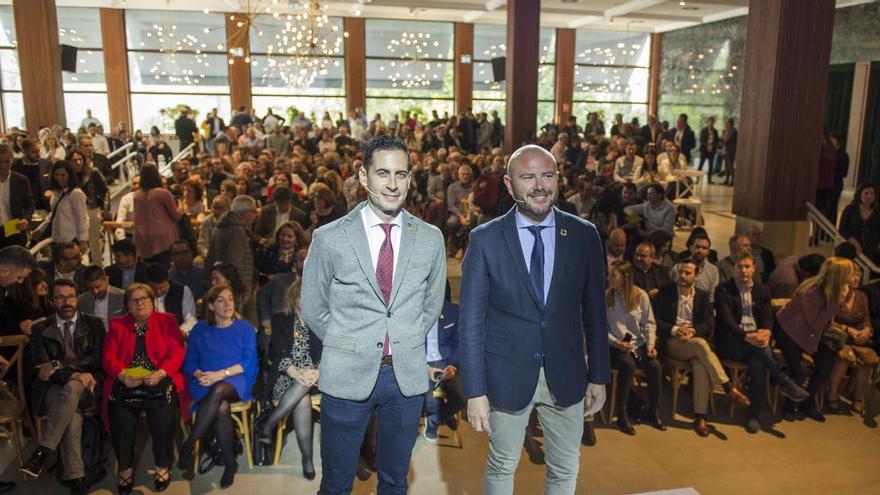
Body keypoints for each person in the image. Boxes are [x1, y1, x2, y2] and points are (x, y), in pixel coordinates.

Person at [459, 144, 608, 494]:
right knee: (501, 466)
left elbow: (596, 313)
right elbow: (470, 324)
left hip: (568, 372)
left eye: (547, 175)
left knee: (566, 467)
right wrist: (475, 390)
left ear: (558, 180)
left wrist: (599, 375)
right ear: (510, 186)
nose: (540, 185)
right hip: (507, 372)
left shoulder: (584, 235)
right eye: (528, 177)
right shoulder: (485, 240)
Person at [301, 136, 445, 495]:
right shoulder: (329, 238)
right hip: (346, 374)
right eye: (383, 173)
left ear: (411, 178)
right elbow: (314, 307)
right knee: (336, 483)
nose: (392, 184)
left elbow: (432, 304)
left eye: (401, 174)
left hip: (405, 378)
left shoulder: (430, 238)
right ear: (364, 177)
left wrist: (404, 338)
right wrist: (348, 343)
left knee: (395, 481)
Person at [19, 280, 104, 494]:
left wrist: (58, 364)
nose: (67, 302)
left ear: (77, 298)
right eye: (60, 297)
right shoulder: (40, 328)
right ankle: (77, 479)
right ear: (51, 301)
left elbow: (95, 361)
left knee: (75, 386)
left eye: (71, 296)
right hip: (54, 388)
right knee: (72, 415)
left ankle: (44, 450)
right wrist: (74, 372)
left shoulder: (94, 323)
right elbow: (41, 369)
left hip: (89, 385)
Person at [102, 283, 188, 494]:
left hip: (159, 379)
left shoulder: (166, 320)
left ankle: (162, 464)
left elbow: (176, 353)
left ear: (152, 302)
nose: (140, 303)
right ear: (127, 306)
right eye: (135, 300)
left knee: (162, 417)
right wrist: (122, 375)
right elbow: (108, 357)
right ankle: (125, 468)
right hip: (127, 382)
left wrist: (160, 373)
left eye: (144, 299)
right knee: (121, 417)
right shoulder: (117, 324)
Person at [653, 258, 750, 436]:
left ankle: (700, 416)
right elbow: (655, 321)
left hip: (694, 342)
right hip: (672, 343)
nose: (682, 276)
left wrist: (693, 331)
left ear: (696, 276)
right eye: (681, 272)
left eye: (687, 273)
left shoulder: (703, 296)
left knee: (700, 365)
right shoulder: (666, 292)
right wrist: (675, 330)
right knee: (701, 346)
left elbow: (709, 324)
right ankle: (729, 388)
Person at [714, 252, 809, 433]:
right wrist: (748, 337)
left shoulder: (762, 290)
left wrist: (766, 331)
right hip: (732, 342)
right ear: (734, 268)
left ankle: (754, 415)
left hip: (756, 343)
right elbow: (727, 322)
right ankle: (782, 381)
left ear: (754, 268)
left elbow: (767, 318)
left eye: (747, 267)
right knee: (760, 350)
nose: (743, 271)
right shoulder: (723, 290)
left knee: (758, 363)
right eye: (740, 267)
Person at [179, 285, 258, 488]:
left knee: (220, 389)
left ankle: (190, 443)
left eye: (230, 299)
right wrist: (200, 375)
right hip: (205, 382)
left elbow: (247, 363)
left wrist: (218, 375)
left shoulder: (245, 328)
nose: (228, 304)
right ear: (212, 306)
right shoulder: (200, 329)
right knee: (221, 406)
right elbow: (190, 362)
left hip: (236, 380)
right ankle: (230, 463)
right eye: (221, 300)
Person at [775, 257, 854, 422]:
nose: (851, 277)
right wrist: (836, 303)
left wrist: (842, 300)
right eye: (848, 274)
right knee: (800, 369)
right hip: (788, 332)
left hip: (808, 335)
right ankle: (789, 405)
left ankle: (806, 402)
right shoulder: (812, 292)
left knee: (827, 363)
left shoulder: (836, 290)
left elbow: (826, 322)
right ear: (839, 276)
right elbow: (815, 323)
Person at [256, 280, 322, 477]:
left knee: (302, 391)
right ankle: (307, 458)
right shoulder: (281, 319)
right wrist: (296, 373)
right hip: (288, 376)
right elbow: (278, 353)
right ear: (295, 299)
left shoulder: (320, 321)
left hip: (316, 377)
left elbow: (328, 351)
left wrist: (316, 371)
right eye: (304, 296)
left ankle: (267, 425)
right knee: (302, 398)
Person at [606, 260, 663, 435]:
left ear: (626, 277)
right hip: (615, 345)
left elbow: (649, 323)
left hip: (637, 344)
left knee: (654, 366)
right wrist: (615, 342)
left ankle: (653, 410)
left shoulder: (641, 296)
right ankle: (622, 412)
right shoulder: (607, 296)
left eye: (613, 275)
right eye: (609, 274)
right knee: (628, 365)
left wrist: (651, 345)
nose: (609, 278)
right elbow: (601, 328)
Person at [826, 265, 877, 415]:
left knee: (867, 359)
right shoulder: (836, 294)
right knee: (844, 358)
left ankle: (858, 398)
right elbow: (830, 322)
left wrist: (866, 330)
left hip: (857, 337)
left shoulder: (861, 296)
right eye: (853, 276)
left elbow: (866, 319)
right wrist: (849, 330)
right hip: (838, 336)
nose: (856, 279)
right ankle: (832, 394)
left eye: (858, 276)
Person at [423, 281, 464, 442]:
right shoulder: (414, 311)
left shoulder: (453, 312)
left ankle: (438, 417)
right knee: (433, 400)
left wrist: (453, 366)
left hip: (445, 362)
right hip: (422, 363)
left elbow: (459, 343)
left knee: (461, 400)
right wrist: (424, 367)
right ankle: (434, 419)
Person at [205, 195, 258, 295]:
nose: (256, 215)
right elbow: (235, 265)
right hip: (235, 291)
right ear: (246, 213)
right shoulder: (236, 231)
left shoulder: (221, 227)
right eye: (254, 211)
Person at [35, 161, 89, 253]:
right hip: (56, 238)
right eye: (56, 174)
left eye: (63, 175)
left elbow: (83, 218)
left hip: (71, 239)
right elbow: (53, 214)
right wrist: (39, 229)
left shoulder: (76, 193)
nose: (59, 178)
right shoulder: (55, 192)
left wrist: (83, 240)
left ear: (69, 176)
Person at [134, 164, 183, 266]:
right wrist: (182, 207)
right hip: (163, 238)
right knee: (164, 269)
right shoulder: (163, 193)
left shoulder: (137, 196)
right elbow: (176, 215)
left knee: (150, 271)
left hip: (143, 238)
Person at [69, 148, 109, 266]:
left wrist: (105, 208)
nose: (78, 162)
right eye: (74, 160)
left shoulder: (93, 172)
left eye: (80, 159)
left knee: (94, 242)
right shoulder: (69, 176)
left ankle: (97, 267)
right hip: (74, 211)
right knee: (77, 240)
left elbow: (105, 190)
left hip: (92, 208)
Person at [144, 262, 197, 335]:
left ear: (167, 280)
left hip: (176, 335)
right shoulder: (141, 294)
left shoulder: (182, 291)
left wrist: (179, 332)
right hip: (148, 336)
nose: (158, 292)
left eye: (162, 288)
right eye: (153, 289)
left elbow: (191, 319)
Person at [670, 232, 719, 303]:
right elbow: (672, 289)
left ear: (708, 252)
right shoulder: (678, 267)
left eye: (704, 248)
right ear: (690, 248)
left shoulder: (713, 270)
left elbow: (711, 297)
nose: (700, 250)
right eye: (697, 247)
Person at [2, 266, 51, 336]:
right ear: (26, 285)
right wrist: (20, 328)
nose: (45, 285)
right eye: (39, 282)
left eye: (44, 280)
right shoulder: (9, 305)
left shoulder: (45, 303)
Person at [838, 183, 880, 263]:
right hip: (852, 250)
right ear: (860, 194)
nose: (869, 196)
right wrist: (854, 242)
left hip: (872, 252)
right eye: (866, 193)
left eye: (872, 194)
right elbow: (842, 230)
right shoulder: (850, 210)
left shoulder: (877, 213)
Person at [79, 265, 125, 330]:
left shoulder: (122, 296)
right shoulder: (82, 300)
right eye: (91, 288)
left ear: (107, 280)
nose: (95, 291)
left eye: (98, 287)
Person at [12, 138, 50, 212]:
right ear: (25, 152)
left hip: (43, 205)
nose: (38, 154)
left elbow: (53, 182)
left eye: (38, 151)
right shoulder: (15, 166)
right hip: (24, 207)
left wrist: (51, 191)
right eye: (34, 152)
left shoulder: (46, 164)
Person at [698, 117, 719, 182]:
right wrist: (707, 146)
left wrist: (712, 146)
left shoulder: (715, 131)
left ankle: (709, 180)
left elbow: (717, 141)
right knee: (701, 164)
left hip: (712, 150)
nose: (711, 123)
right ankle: (697, 179)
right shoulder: (704, 130)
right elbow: (701, 140)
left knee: (711, 165)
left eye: (712, 122)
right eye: (710, 121)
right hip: (704, 149)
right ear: (707, 122)